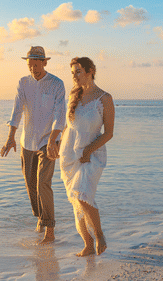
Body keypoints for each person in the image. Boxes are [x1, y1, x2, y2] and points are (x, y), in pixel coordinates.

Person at [0, 46, 66, 244]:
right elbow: (17, 110)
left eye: (36, 65)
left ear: (45, 62)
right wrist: (10, 136)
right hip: (27, 142)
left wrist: (54, 139)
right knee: (31, 186)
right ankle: (40, 218)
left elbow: (60, 114)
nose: (33, 69)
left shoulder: (56, 84)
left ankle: (50, 229)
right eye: (30, 65)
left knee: (43, 183)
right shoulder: (23, 83)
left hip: (49, 141)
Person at [50, 56, 114, 256]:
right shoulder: (73, 95)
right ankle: (87, 244)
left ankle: (100, 235)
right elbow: (70, 127)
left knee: (83, 194)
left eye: (78, 71)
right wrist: (56, 145)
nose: (74, 76)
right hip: (70, 154)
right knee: (76, 200)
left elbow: (109, 133)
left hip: (92, 154)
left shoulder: (104, 98)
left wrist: (88, 150)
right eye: (72, 73)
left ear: (90, 70)